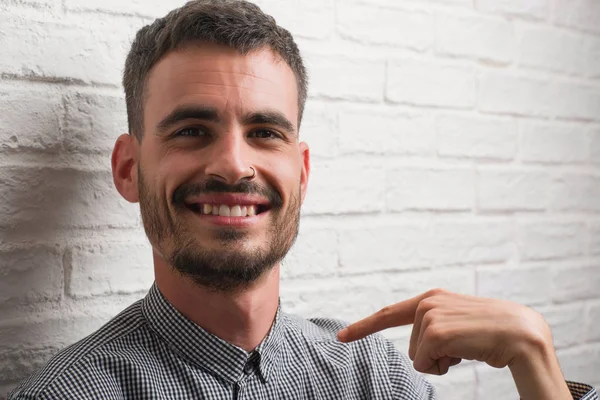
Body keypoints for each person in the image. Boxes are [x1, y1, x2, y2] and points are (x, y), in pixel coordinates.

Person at [8, 1, 598, 399]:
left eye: (265, 132)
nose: (235, 165)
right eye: (191, 130)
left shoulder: (374, 379)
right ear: (130, 169)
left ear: (302, 170)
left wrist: (535, 363)